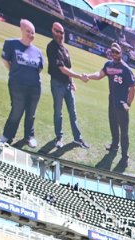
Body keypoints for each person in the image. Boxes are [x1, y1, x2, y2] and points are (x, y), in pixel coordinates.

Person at [85, 42, 135, 167]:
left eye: (116, 52)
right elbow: (99, 75)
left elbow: (133, 88)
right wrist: (88, 76)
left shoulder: (126, 69)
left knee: (124, 131)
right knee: (113, 125)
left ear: (121, 53)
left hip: (122, 105)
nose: (114, 54)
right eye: (112, 52)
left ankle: (124, 155)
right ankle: (114, 145)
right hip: (111, 102)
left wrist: (128, 104)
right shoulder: (108, 65)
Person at [0, 19, 44, 148]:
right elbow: (6, 60)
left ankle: (29, 137)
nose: (31, 35)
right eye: (28, 31)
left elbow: (39, 69)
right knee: (17, 111)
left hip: (35, 87)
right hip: (17, 84)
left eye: (33, 33)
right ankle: (7, 136)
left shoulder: (38, 52)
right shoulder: (11, 44)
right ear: (21, 29)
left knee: (31, 114)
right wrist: (15, 73)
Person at [46, 22, 90, 150]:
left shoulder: (65, 49)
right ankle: (59, 137)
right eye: (57, 31)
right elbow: (62, 69)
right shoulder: (52, 47)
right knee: (58, 112)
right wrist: (79, 77)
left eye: (62, 32)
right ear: (53, 31)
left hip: (67, 85)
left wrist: (72, 82)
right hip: (57, 84)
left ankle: (77, 138)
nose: (60, 34)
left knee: (73, 113)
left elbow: (69, 67)